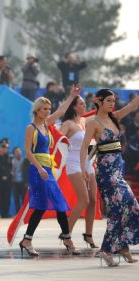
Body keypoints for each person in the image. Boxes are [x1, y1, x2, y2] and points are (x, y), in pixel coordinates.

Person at [19, 85, 81, 257]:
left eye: (48, 109)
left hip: (48, 170)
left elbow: (61, 111)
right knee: (45, 206)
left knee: (54, 205)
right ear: (37, 110)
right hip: (38, 171)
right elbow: (27, 151)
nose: (47, 112)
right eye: (44, 109)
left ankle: (29, 239)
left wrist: (71, 96)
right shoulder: (31, 128)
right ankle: (63, 239)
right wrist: (39, 169)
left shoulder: (46, 125)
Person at [80, 89, 139, 267]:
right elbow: (84, 148)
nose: (112, 103)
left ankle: (119, 246)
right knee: (119, 207)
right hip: (106, 173)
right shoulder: (93, 123)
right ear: (98, 101)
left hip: (117, 170)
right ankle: (109, 248)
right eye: (109, 100)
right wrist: (84, 167)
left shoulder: (114, 117)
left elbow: (133, 105)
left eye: (114, 100)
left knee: (131, 206)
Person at [60, 95, 98, 248]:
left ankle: (88, 235)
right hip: (73, 163)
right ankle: (66, 233)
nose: (84, 106)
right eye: (81, 104)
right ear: (74, 107)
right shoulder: (67, 124)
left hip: (87, 161)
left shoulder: (84, 121)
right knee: (84, 200)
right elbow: (57, 139)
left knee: (93, 200)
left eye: (84, 104)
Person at [11, 147, 28, 213]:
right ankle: (18, 212)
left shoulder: (25, 160)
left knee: (24, 198)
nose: (18, 153)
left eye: (19, 151)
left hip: (23, 182)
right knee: (16, 198)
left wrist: (27, 181)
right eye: (16, 152)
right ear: (14, 153)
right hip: (14, 182)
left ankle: (24, 213)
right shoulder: (12, 161)